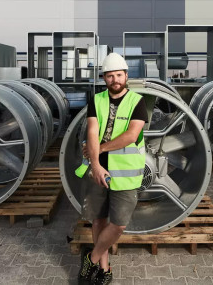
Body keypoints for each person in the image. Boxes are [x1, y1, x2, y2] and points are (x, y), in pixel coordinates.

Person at [75, 53, 148, 285]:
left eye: (118, 75)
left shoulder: (137, 101)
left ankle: (92, 258)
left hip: (124, 176)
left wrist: (99, 150)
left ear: (126, 76)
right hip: (98, 171)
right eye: (109, 76)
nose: (114, 79)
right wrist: (95, 165)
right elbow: (92, 132)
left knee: (118, 225)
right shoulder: (96, 100)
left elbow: (131, 135)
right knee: (98, 220)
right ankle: (104, 270)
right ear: (104, 78)